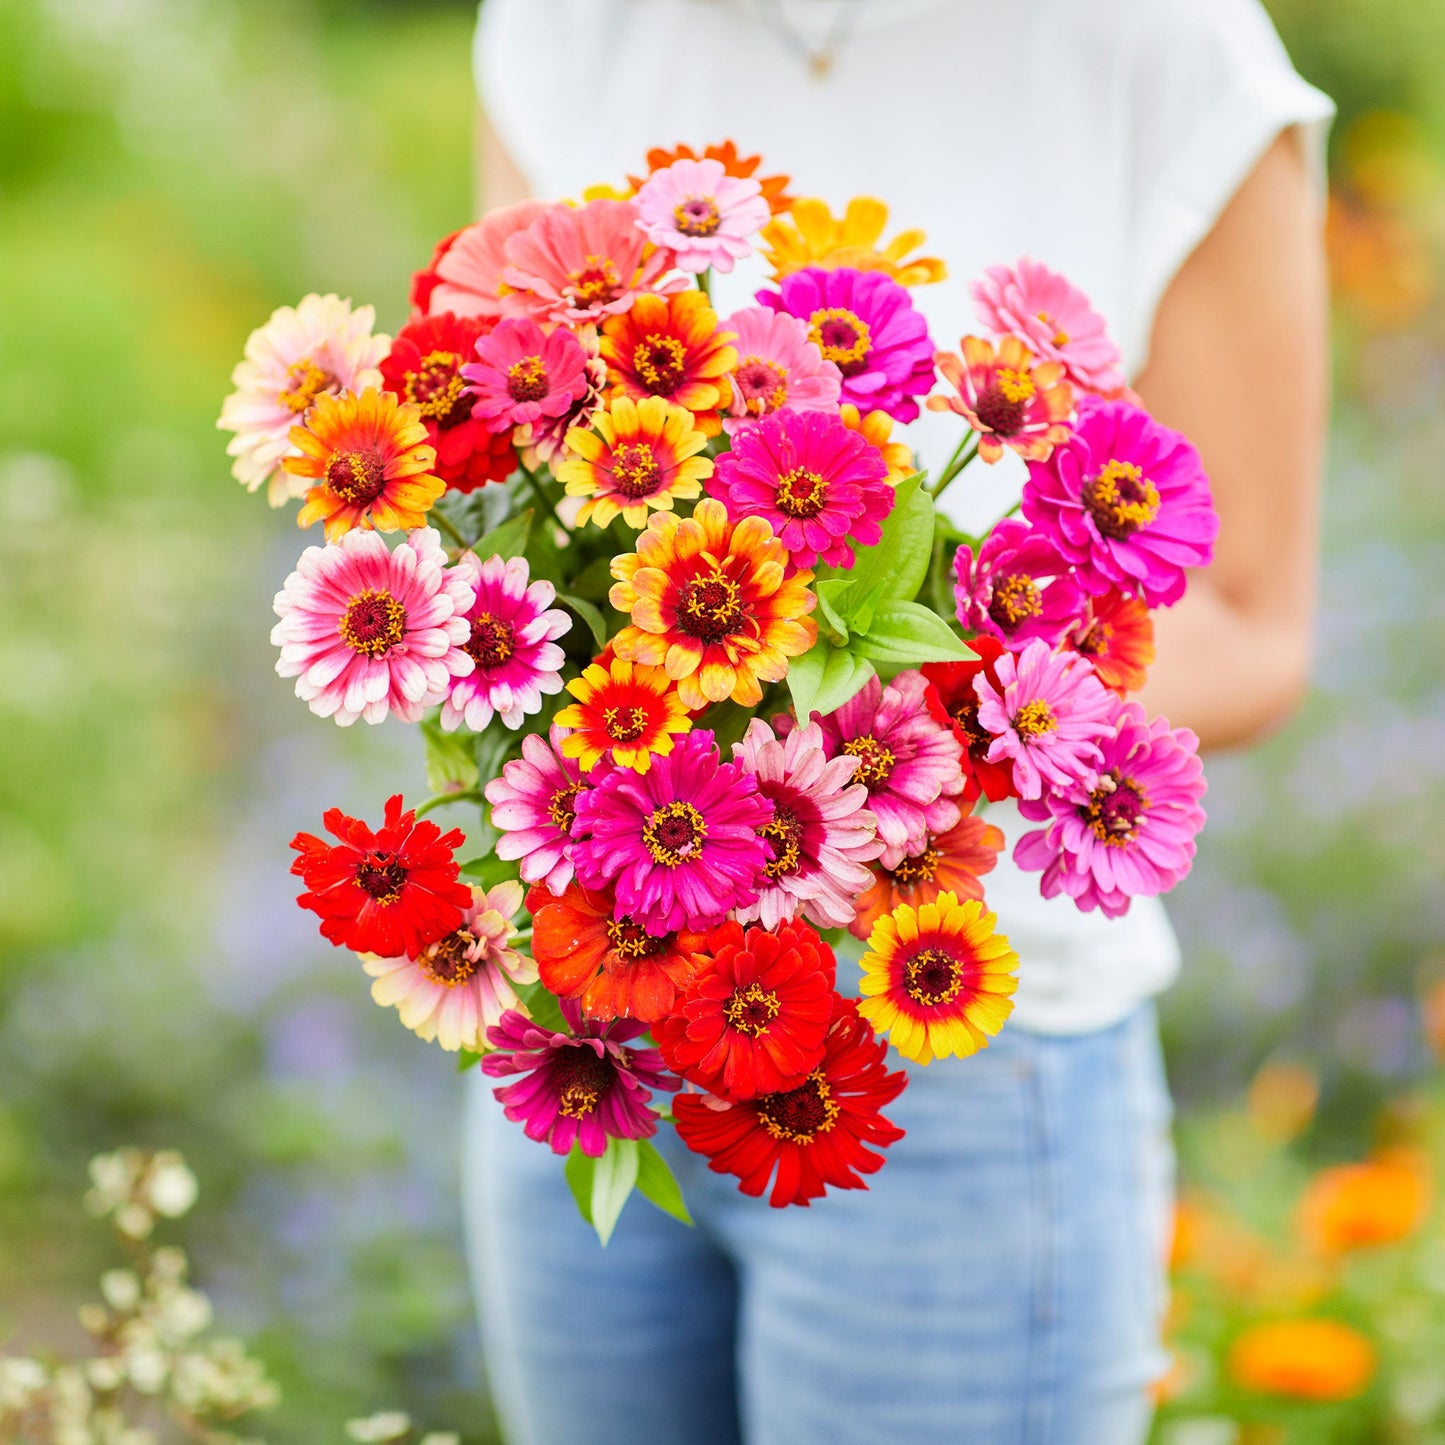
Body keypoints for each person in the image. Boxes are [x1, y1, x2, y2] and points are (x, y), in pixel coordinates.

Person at [460, 2, 1333, 1442]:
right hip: (595, 1008)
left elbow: (1245, 625)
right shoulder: (571, 23)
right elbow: (511, 440)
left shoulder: (1162, 44)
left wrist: (895, 725)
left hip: (951, 1051)